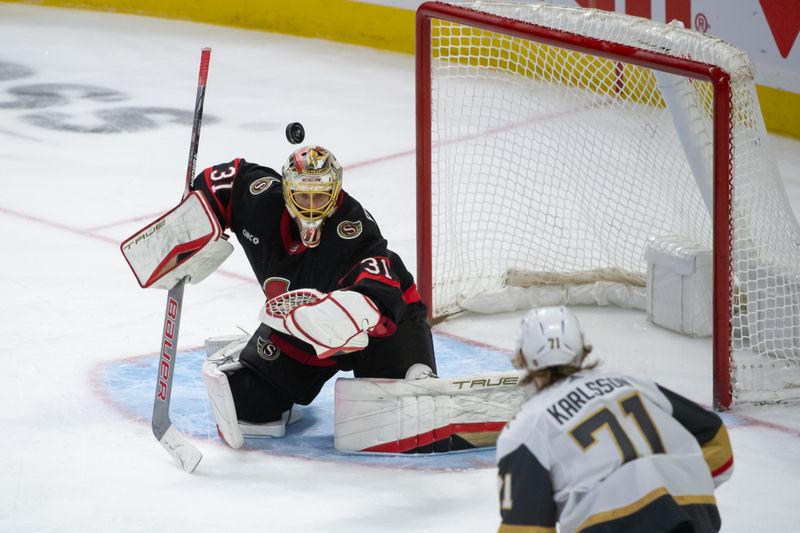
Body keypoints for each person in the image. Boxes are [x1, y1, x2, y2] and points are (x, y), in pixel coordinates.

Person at [191, 145, 437, 448]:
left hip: (376, 330)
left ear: (335, 193)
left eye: (320, 195)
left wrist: (346, 312)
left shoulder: (354, 228)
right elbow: (221, 183)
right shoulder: (261, 200)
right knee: (247, 404)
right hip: (300, 326)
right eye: (301, 195)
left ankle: (412, 370)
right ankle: (253, 358)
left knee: (398, 415)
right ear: (285, 189)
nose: (310, 206)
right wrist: (194, 219)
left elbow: (381, 291)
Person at [496, 306, 733, 533]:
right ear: (581, 348)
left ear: (522, 358)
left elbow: (525, 528)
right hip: (693, 516)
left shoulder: (526, 427)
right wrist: (679, 485)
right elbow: (716, 440)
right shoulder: (632, 384)